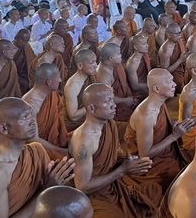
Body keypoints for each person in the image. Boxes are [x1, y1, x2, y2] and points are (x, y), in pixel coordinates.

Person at [69, 83, 161, 216]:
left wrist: (129, 162)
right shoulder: (84, 141)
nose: (114, 105)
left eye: (113, 100)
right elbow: (82, 187)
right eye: (107, 102)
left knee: (152, 191)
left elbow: (112, 155)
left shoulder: (109, 124)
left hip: (110, 183)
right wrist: (122, 170)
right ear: (92, 108)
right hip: (92, 195)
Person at [0, 97, 76, 217]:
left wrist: (58, 180)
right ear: (4, 128)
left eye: (31, 116)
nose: (33, 121)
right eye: (24, 118)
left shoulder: (36, 150)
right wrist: (45, 190)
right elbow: (47, 190)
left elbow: (52, 192)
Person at [124, 69, 194, 190]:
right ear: (156, 89)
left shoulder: (159, 102)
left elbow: (161, 126)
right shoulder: (146, 115)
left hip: (165, 151)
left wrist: (173, 125)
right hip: (150, 163)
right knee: (180, 178)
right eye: (169, 82)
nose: (175, 84)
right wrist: (174, 136)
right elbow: (144, 155)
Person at [22, 63, 69, 158]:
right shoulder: (30, 103)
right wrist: (61, 150)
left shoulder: (51, 94)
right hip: (36, 149)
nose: (60, 80)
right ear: (49, 82)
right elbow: (32, 139)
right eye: (58, 78)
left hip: (53, 141)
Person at [95, 43, 138, 122]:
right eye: (118, 54)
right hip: (114, 108)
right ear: (111, 58)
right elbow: (106, 99)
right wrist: (126, 100)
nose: (121, 55)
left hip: (124, 99)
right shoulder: (104, 75)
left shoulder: (115, 65)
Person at [63, 49, 97, 131]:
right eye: (91, 62)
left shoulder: (91, 76)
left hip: (92, 116)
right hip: (78, 125)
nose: (96, 65)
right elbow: (73, 116)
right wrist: (95, 103)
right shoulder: (72, 86)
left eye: (95, 61)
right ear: (80, 65)